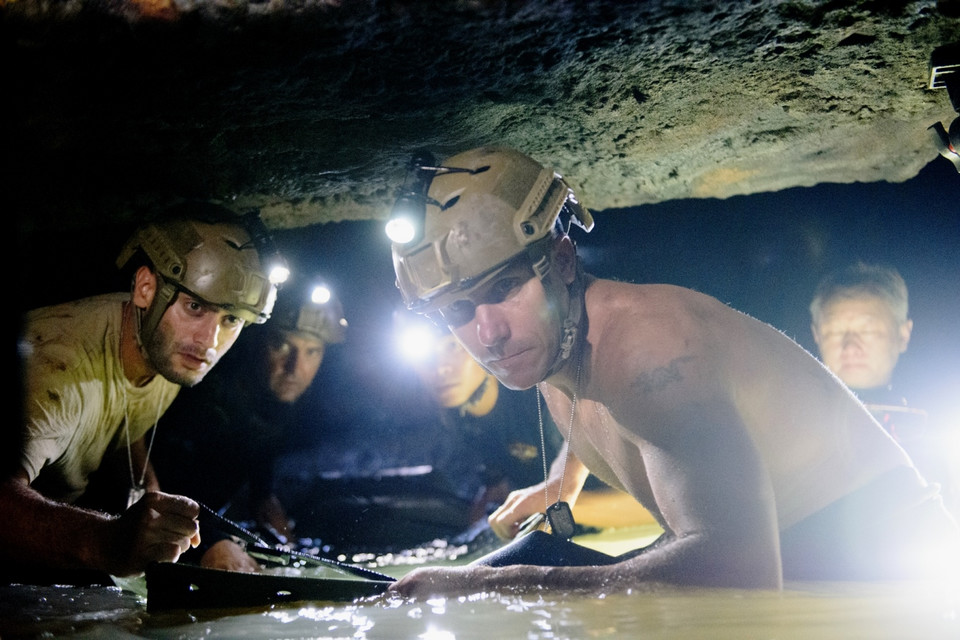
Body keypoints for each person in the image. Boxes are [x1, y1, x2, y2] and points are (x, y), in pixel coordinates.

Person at [385, 146, 960, 598]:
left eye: (504, 289)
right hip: (798, 560)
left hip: (879, 571)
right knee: (508, 571)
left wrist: (486, 585)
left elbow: (740, 569)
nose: (488, 333)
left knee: (500, 588)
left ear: (562, 261)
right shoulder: (556, 342)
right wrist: (564, 480)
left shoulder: (650, 350)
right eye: (457, 311)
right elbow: (602, 401)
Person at [3, 202, 284, 585]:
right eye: (195, 306)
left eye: (231, 319)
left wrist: (158, 507)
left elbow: (124, 417)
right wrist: (105, 542)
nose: (209, 342)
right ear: (146, 288)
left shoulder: (164, 349)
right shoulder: (56, 370)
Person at [151, 276, 347, 572]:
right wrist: (212, 544)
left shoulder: (282, 404)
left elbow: (260, 466)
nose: (295, 367)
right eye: (282, 345)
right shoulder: (208, 399)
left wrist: (265, 501)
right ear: (257, 342)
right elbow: (156, 492)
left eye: (312, 352)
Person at [810, 262, 958, 515]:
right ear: (816, 334)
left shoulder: (937, 432)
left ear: (903, 334)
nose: (850, 346)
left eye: (867, 329)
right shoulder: (792, 421)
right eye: (834, 330)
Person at [395, 310, 563, 526]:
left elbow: (620, 496)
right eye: (423, 354)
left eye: (452, 347)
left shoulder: (544, 398)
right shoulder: (456, 416)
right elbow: (506, 480)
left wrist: (544, 506)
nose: (440, 368)